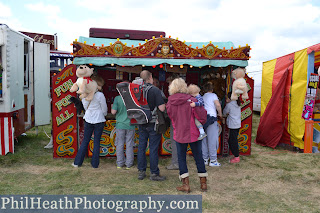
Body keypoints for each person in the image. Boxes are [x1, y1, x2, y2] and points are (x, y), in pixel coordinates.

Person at [166, 78, 208, 193]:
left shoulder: (170, 102)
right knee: (198, 156)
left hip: (179, 132)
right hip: (193, 132)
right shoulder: (192, 100)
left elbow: (171, 116)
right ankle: (203, 183)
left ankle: (186, 185)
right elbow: (202, 116)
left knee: (181, 158)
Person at [72, 75, 108, 168]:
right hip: (99, 119)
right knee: (96, 142)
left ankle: (77, 162)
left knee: (85, 141)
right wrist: (102, 114)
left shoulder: (85, 94)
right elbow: (104, 109)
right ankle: (95, 164)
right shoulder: (100, 95)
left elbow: (84, 106)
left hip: (88, 119)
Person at [137, 70, 166, 181]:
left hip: (141, 121)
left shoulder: (137, 90)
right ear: (150, 77)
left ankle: (141, 171)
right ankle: (154, 173)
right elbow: (161, 108)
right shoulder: (155, 90)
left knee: (141, 147)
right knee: (153, 148)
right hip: (153, 122)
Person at [111, 93, 136, 169]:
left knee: (120, 144)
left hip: (120, 124)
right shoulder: (133, 98)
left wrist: (112, 106)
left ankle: (120, 163)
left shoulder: (117, 98)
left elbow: (113, 112)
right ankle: (129, 163)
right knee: (129, 144)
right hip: (130, 124)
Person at [202, 82, 223, 167]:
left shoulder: (203, 97)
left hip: (203, 119)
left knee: (204, 140)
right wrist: (220, 114)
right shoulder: (213, 95)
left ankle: (205, 159)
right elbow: (217, 104)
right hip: (211, 118)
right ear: (212, 89)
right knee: (212, 140)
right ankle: (213, 160)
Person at [165, 73, 180, 170]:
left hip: (175, 122)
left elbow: (169, 111)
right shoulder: (184, 96)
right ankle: (179, 162)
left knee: (175, 142)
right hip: (182, 122)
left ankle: (175, 163)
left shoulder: (172, 98)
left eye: (170, 84)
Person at [223, 92, 241, 163]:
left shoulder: (229, 105)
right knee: (233, 140)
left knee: (232, 141)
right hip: (237, 124)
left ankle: (236, 157)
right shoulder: (237, 104)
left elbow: (224, 112)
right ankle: (236, 155)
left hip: (233, 125)